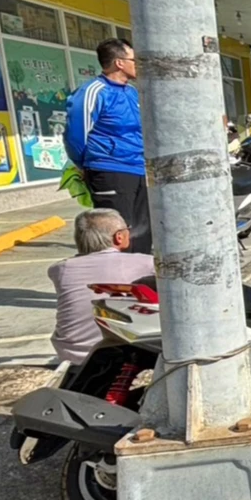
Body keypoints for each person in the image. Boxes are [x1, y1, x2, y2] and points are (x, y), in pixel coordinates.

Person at [65, 38, 150, 254]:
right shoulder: (93, 91)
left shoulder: (132, 92)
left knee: (141, 232)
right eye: (134, 60)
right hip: (110, 170)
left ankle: (140, 271)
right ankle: (115, 274)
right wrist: (85, 165)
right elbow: (75, 135)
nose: (138, 65)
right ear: (119, 63)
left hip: (139, 169)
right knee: (115, 232)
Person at [49, 209, 155, 365]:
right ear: (119, 237)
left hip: (70, 352)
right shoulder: (145, 262)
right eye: (127, 229)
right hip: (118, 350)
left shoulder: (59, 269)